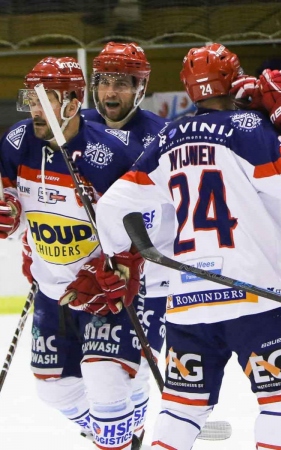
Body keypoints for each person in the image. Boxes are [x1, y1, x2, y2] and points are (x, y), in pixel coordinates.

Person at [94, 42, 281, 449]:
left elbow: (116, 205)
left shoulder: (168, 134)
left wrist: (120, 255)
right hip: (255, 300)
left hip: (187, 303)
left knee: (181, 410)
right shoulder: (247, 127)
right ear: (233, 78)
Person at [0, 56, 150, 450]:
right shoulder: (17, 142)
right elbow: (11, 202)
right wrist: (9, 214)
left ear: (71, 101)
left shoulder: (108, 154)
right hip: (53, 290)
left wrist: (118, 269)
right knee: (54, 390)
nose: (35, 108)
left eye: (45, 98)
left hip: (100, 288)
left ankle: (116, 431)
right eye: (31, 99)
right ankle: (122, 428)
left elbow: (141, 227)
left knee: (104, 378)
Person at [82, 41, 171, 443]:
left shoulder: (162, 136)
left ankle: (127, 430)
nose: (110, 92)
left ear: (141, 86)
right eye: (103, 82)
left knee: (133, 373)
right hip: (96, 276)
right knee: (92, 379)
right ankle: (116, 429)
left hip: (152, 277)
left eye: (122, 83)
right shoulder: (77, 128)